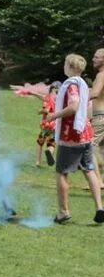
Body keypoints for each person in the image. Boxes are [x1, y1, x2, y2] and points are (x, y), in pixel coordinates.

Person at [49, 54, 104, 225]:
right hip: (85, 133)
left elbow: (73, 107)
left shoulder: (72, 85)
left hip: (71, 136)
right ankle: (99, 208)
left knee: (61, 172)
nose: (64, 66)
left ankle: (63, 212)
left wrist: (54, 115)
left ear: (71, 66)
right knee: (89, 170)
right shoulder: (83, 84)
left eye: (65, 63)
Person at [36, 82, 59, 167]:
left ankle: (38, 162)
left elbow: (46, 110)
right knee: (51, 142)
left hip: (46, 124)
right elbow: (42, 97)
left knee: (40, 142)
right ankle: (50, 151)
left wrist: (40, 111)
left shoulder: (49, 98)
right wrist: (32, 93)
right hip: (55, 125)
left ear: (52, 89)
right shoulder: (59, 100)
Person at [90, 49, 104, 169]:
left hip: (100, 116)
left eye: (96, 57)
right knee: (102, 149)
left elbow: (95, 93)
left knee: (90, 146)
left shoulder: (101, 75)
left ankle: (98, 182)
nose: (93, 59)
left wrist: (80, 99)